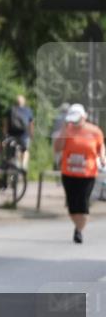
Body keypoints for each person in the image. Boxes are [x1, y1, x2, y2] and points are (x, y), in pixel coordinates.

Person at [52, 104, 105, 244]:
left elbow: (101, 146)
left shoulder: (94, 131)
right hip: (69, 173)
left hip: (87, 173)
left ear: (84, 117)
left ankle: (79, 230)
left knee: (83, 202)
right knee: (72, 204)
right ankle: (77, 225)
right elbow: (57, 148)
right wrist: (64, 130)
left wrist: (102, 157)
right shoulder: (67, 130)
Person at [3, 94, 34, 169]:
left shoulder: (10, 110)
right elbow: (31, 124)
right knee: (25, 150)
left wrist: (5, 134)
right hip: (24, 134)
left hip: (11, 134)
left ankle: (12, 166)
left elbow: (6, 123)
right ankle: (23, 166)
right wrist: (31, 134)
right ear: (24, 102)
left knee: (11, 151)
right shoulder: (28, 111)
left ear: (15, 102)